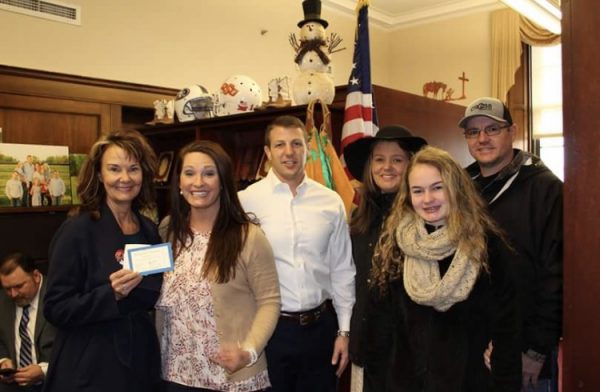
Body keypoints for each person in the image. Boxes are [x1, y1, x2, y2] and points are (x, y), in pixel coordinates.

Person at [372, 146, 521, 391]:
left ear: (455, 188)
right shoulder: (396, 244)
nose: (428, 199)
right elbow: (381, 325)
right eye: (418, 191)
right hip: (407, 382)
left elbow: (507, 323)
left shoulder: (485, 243)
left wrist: (504, 374)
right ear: (408, 196)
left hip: (469, 381)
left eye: (437, 187)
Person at [238, 115, 355, 392]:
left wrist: (344, 331)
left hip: (321, 330)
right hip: (270, 331)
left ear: (308, 149)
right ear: (267, 153)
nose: (289, 152)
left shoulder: (330, 201)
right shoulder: (245, 202)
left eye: (296, 144)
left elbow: (342, 269)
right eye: (280, 145)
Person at [42, 129, 163, 392]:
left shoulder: (149, 230)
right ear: (99, 174)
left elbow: (154, 291)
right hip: (90, 367)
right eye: (114, 169)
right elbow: (55, 308)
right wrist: (111, 295)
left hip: (139, 364)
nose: (125, 178)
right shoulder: (78, 230)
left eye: (133, 169)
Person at [156, 140, 281, 391]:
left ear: (223, 181)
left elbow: (270, 302)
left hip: (232, 377)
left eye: (209, 173)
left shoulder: (248, 237)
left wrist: (248, 351)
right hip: (175, 375)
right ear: (179, 182)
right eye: (189, 173)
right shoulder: (167, 231)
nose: (198, 182)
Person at [458, 97, 563, 391]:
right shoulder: (462, 188)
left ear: (512, 131)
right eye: (473, 132)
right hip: (473, 341)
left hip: (524, 348)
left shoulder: (544, 188)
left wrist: (536, 349)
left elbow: (557, 273)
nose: (482, 138)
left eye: (492, 129)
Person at [343, 125, 427, 392]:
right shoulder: (359, 219)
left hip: (409, 352)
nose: (387, 167)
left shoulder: (422, 218)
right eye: (379, 159)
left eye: (397, 159)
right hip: (367, 346)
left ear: (411, 166)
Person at [0, 253, 56, 392]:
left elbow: (75, 346)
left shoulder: (58, 296)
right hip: (12, 387)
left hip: (54, 383)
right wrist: (3, 360)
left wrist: (43, 371)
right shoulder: (2, 300)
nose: (13, 294)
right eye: (7, 288)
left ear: (36, 276)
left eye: (19, 286)